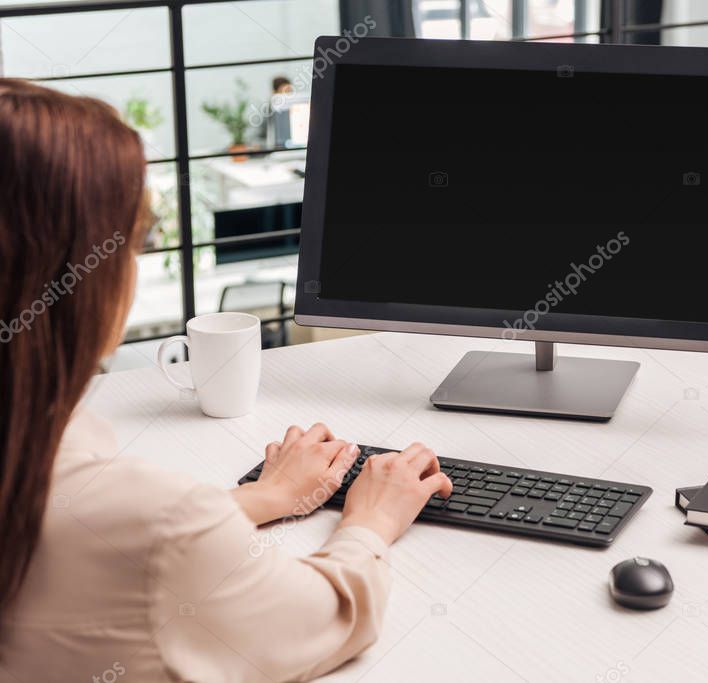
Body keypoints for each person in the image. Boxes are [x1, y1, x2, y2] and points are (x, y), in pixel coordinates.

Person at [0, 79, 452, 681]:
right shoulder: (149, 519)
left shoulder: (66, 474)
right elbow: (326, 619)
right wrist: (372, 518)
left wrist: (260, 498)